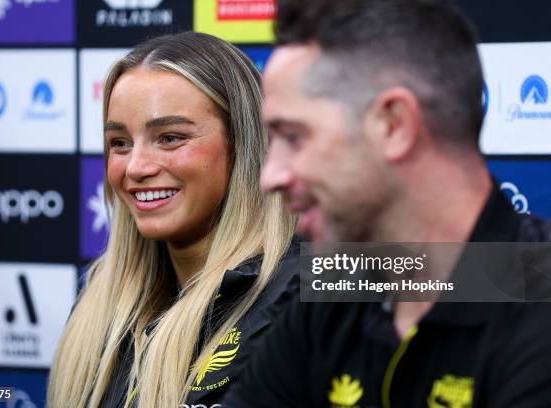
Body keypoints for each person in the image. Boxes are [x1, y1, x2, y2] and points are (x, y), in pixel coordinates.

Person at [222, 0, 551, 407]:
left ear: (394, 125)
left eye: (294, 137)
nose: (270, 176)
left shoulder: (538, 300)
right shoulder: (338, 288)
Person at [47, 31, 297, 408]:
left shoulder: (317, 281)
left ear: (243, 143)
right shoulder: (100, 302)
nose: (136, 167)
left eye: (170, 137)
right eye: (120, 142)